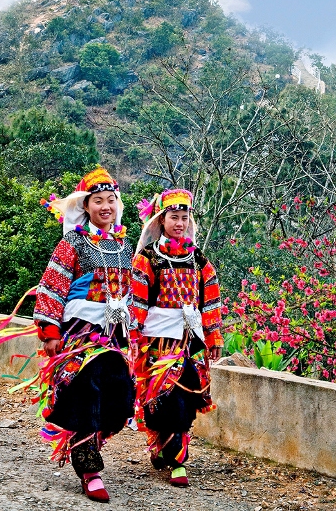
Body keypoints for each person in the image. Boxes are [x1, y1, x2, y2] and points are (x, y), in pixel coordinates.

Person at [33, 167, 135, 502]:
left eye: (111, 200)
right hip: (81, 332)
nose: (106, 206)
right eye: (98, 201)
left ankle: (86, 439)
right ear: (86, 206)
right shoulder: (72, 242)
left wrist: (134, 328)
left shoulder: (122, 244)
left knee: (120, 393)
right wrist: (49, 330)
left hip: (114, 334)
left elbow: (128, 293)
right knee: (87, 388)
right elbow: (53, 284)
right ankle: (89, 469)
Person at [130, 188, 223, 488]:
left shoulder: (197, 258)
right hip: (158, 342)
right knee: (160, 398)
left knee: (185, 396)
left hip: (190, 341)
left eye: (185, 218)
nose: (179, 223)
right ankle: (162, 443)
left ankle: (177, 460)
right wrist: (133, 336)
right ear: (161, 219)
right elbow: (138, 301)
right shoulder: (148, 258)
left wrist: (214, 337)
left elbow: (210, 299)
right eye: (174, 217)